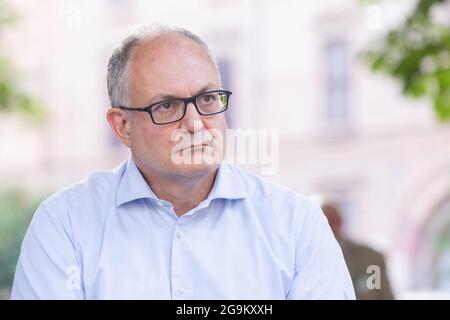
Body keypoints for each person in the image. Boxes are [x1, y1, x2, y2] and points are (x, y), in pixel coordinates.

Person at [11, 24, 354, 299]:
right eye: (167, 106)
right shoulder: (65, 224)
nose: (195, 123)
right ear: (123, 126)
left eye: (207, 98)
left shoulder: (297, 225)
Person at [321, 202, 394, 300]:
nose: (330, 228)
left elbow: (386, 296)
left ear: (340, 222)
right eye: (324, 223)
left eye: (332, 221)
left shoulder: (371, 258)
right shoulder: (305, 263)